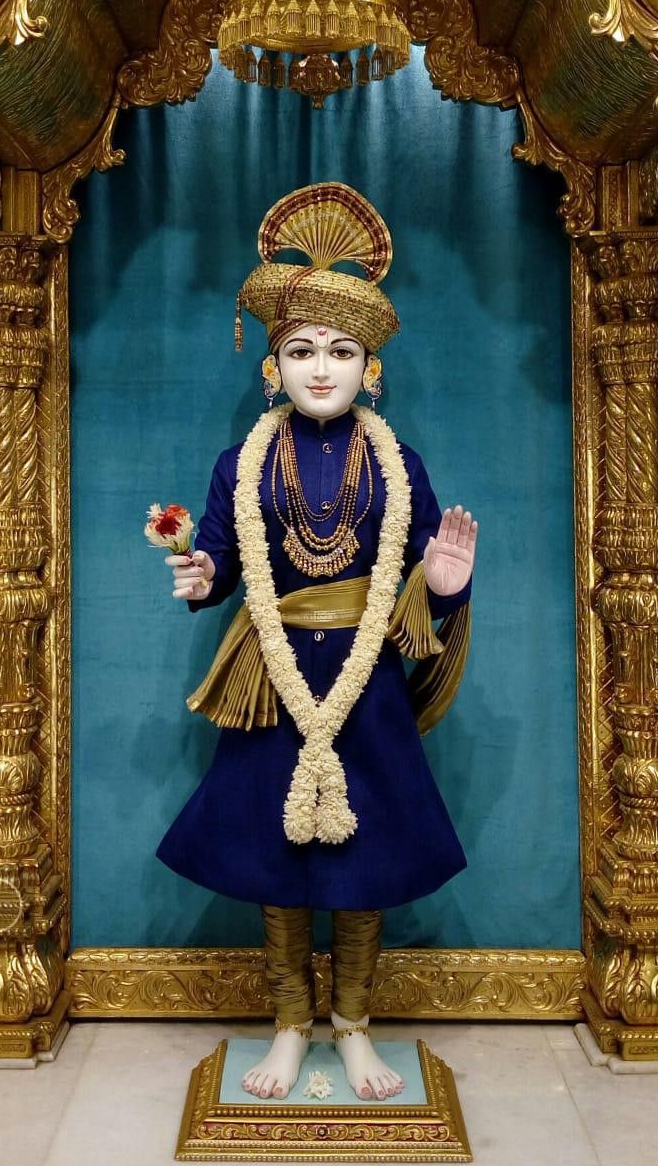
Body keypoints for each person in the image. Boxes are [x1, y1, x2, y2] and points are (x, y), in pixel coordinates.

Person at [156, 182, 477, 1103]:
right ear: (272, 368)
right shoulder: (243, 460)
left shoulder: (396, 461)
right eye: (300, 351)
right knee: (277, 855)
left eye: (341, 352)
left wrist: (446, 587)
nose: (321, 369)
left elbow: (425, 567)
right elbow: (217, 548)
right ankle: (290, 1026)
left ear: (371, 366)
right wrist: (202, 574)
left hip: (365, 677)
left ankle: (356, 1028)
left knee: (361, 855)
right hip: (273, 675)